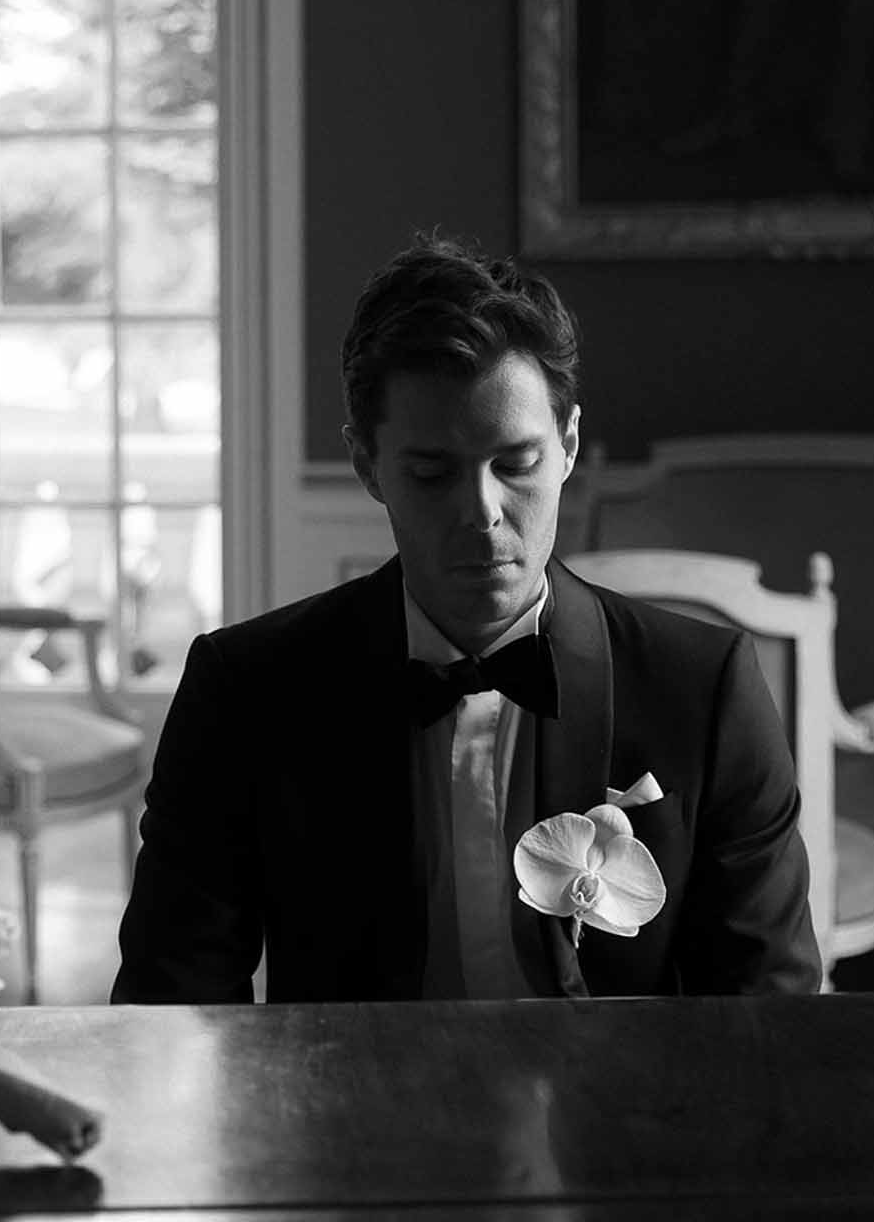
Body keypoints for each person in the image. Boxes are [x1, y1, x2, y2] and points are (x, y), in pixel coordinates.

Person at [111, 235, 820, 1002]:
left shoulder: (703, 687)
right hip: (345, 1113)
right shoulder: (244, 689)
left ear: (569, 445)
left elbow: (769, 1011)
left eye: (516, 464)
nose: (481, 514)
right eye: (431, 473)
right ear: (367, 467)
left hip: (623, 1113)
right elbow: (172, 998)